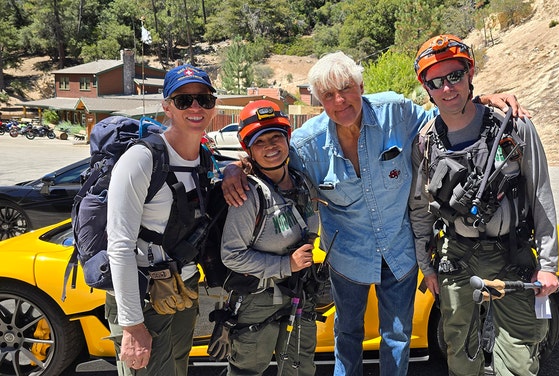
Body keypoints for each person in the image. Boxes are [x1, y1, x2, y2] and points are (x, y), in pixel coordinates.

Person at [221, 51, 526, 376]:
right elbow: (269, 161)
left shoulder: (396, 112)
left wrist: (478, 102)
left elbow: (445, 121)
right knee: (347, 335)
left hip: (400, 254)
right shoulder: (307, 145)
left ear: (361, 85)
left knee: (397, 337)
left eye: (345, 88)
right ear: (318, 101)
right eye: (328, 95)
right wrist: (234, 168)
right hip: (347, 259)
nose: (339, 101)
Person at [409, 34, 559, 376]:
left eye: (455, 76)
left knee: (521, 358)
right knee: (459, 352)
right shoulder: (424, 142)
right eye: (436, 82)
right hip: (456, 255)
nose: (447, 89)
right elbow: (419, 210)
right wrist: (426, 267)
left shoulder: (515, 126)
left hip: (513, 253)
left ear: (470, 73)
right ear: (426, 89)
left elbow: (541, 196)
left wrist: (548, 264)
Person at [105, 64, 217, 376]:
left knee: (178, 370)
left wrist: (236, 169)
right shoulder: (141, 160)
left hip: (183, 288)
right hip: (143, 297)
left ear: (213, 106)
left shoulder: (204, 160)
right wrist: (132, 325)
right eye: (183, 100)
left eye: (204, 99)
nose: (195, 107)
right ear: (166, 107)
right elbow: (119, 245)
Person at [220, 100, 321, 376]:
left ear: (287, 138)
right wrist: (286, 264)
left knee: (299, 369)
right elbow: (231, 254)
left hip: (300, 294)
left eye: (276, 136)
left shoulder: (303, 182)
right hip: (259, 300)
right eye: (259, 141)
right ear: (248, 150)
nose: (270, 146)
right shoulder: (247, 194)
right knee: (248, 371)